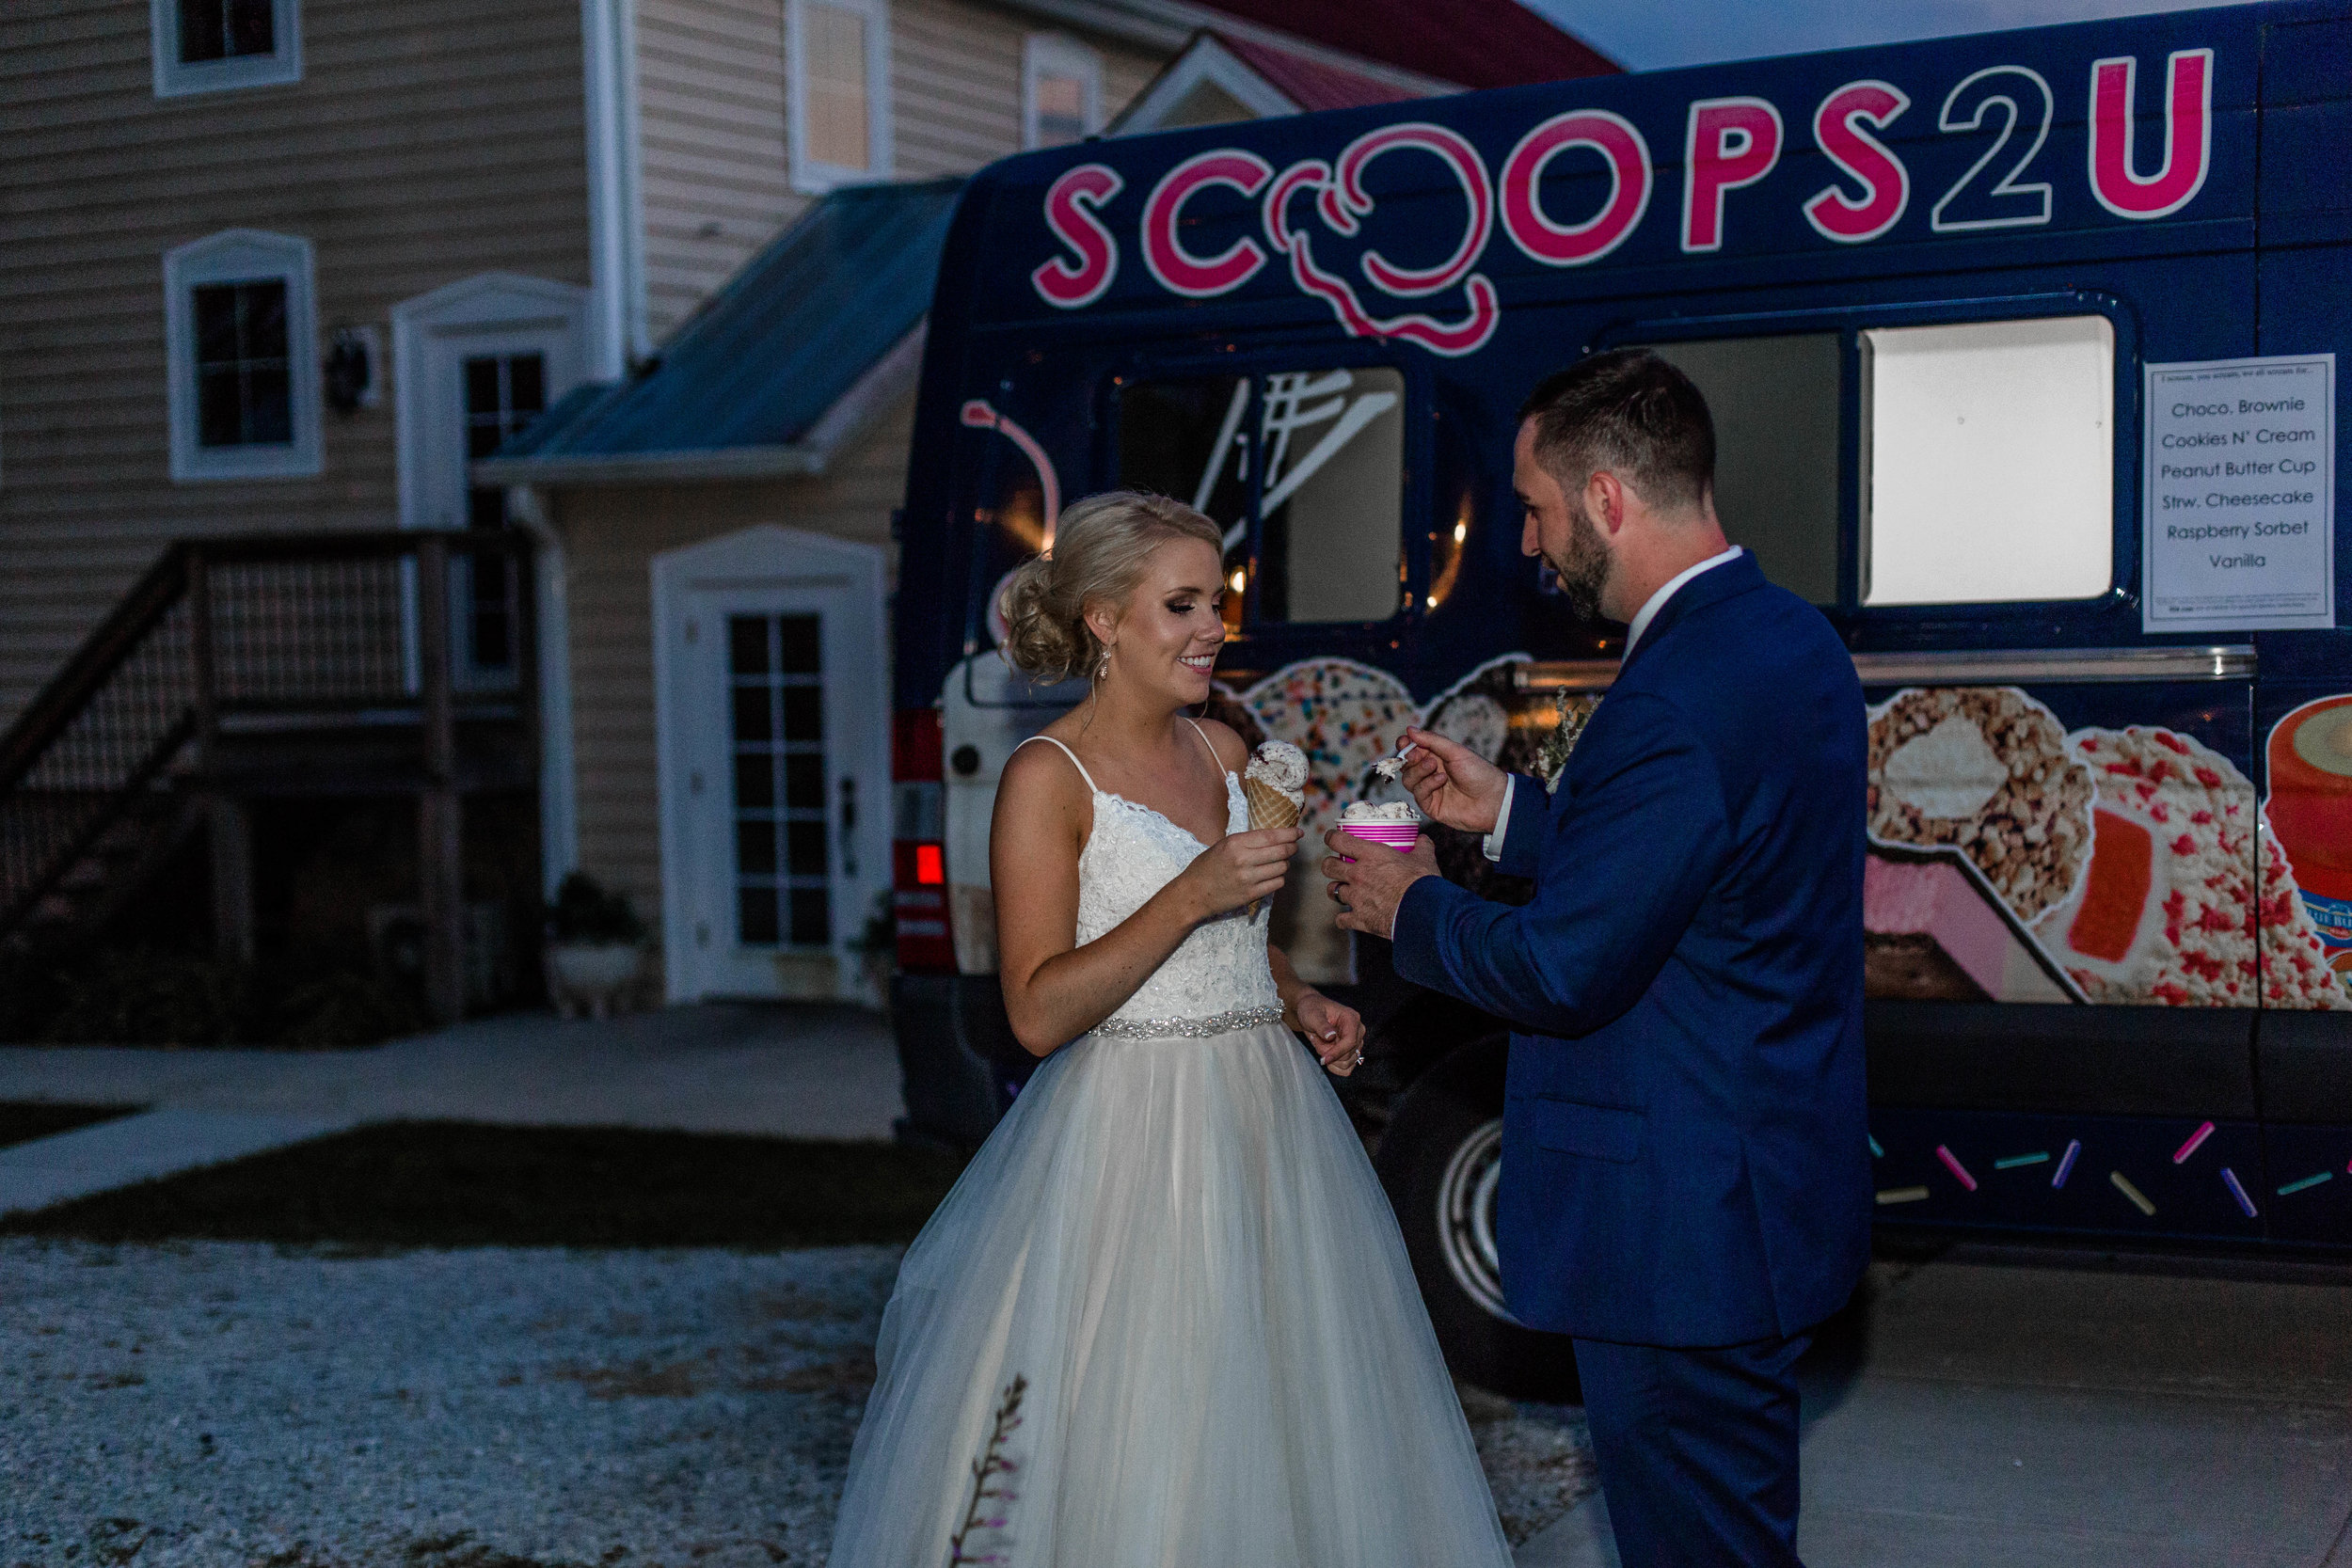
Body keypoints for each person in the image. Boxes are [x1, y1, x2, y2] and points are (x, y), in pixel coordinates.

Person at [827, 492, 1515, 1568]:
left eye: (1218, 600)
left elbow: (1234, 933)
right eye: (1181, 603)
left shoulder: (1220, 753)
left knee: (1291, 1412)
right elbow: (1037, 1009)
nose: (1212, 628)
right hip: (1133, 1136)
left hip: (1270, 1126)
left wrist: (1294, 997)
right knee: (1149, 1421)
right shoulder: (1045, 780)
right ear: (1102, 617)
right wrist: (1190, 895)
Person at [1323, 350, 1870, 1567]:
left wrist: (1411, 902)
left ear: (1609, 498)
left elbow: (1568, 966)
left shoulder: (1670, 697)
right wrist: (1512, 815)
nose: (1526, 542)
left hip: (1682, 1234)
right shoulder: (1791, 644)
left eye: (1536, 506)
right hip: (1760, 1191)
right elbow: (1707, 872)